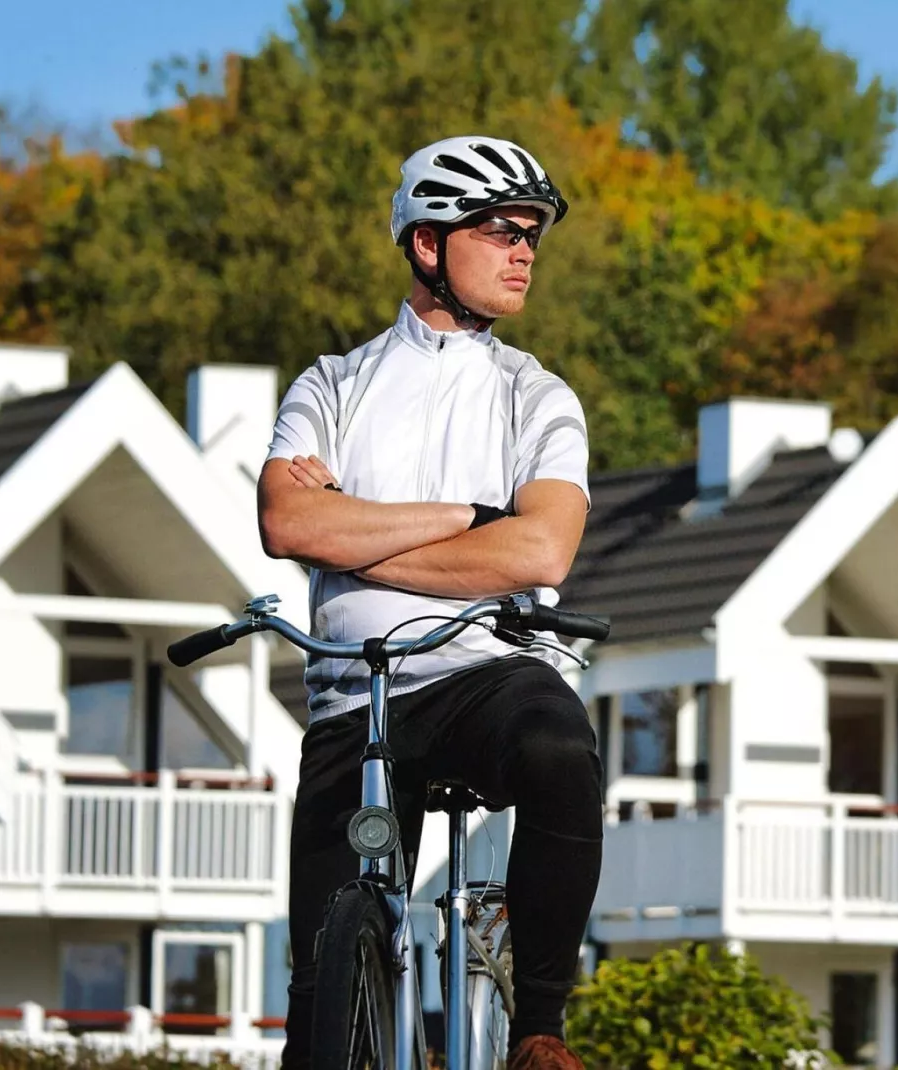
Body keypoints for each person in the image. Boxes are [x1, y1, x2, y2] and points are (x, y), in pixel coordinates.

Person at [257, 135, 600, 1070]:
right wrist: (466, 517)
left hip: (481, 676)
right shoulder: (330, 385)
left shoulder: (539, 397)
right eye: (500, 229)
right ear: (426, 244)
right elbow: (289, 523)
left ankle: (538, 1027)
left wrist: (358, 535)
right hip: (352, 700)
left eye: (533, 233)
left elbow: (542, 548)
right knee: (315, 1024)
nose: (525, 249)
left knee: (563, 746)